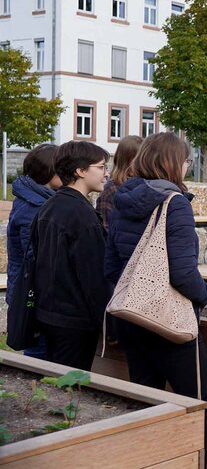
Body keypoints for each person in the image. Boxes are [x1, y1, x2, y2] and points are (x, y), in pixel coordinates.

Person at [105, 132, 207, 452]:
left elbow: (111, 267)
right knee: (201, 403)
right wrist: (206, 296)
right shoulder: (175, 204)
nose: (186, 168)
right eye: (186, 162)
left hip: (131, 319)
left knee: (148, 404)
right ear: (172, 164)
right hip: (168, 324)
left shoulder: (122, 199)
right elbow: (183, 274)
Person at [29, 141, 109, 370]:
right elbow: (94, 277)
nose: (106, 173)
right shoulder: (82, 216)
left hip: (48, 313)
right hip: (74, 320)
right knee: (69, 389)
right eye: (101, 166)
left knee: (57, 382)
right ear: (80, 171)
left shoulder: (49, 205)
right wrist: (106, 321)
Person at [6, 144, 62, 359]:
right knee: (39, 355)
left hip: (28, 291)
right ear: (49, 172)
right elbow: (35, 259)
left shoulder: (33, 198)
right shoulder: (35, 207)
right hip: (32, 296)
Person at [96, 135, 143, 229]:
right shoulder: (111, 189)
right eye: (141, 157)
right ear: (130, 159)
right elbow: (105, 229)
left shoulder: (147, 184)